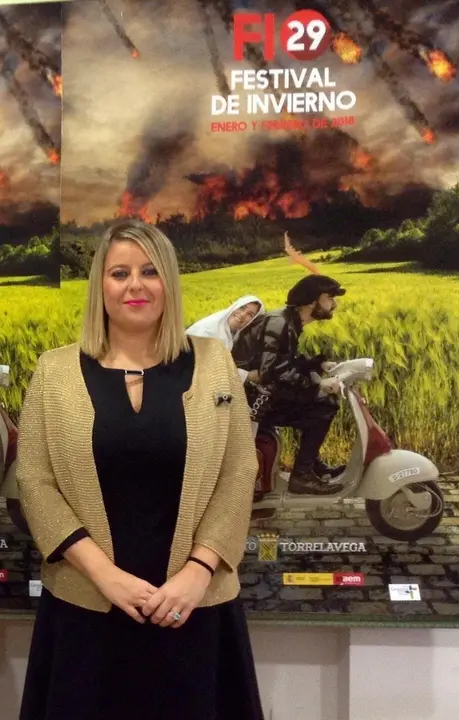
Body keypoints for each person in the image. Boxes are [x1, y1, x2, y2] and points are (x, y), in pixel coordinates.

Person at [16, 219, 264, 720]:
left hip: (192, 608)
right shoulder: (54, 371)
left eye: (150, 272)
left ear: (168, 282)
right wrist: (106, 576)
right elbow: (35, 482)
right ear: (100, 286)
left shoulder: (214, 363)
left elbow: (239, 471)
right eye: (120, 273)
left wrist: (197, 572)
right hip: (87, 609)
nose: (135, 285)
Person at [232, 273, 346, 496]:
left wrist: (317, 364)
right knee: (324, 406)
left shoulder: (288, 320)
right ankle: (302, 475)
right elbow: (272, 372)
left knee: (319, 402)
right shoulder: (280, 323)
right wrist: (318, 385)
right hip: (252, 399)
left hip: (259, 392)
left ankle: (311, 465)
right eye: (330, 298)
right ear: (312, 301)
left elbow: (285, 360)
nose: (334, 304)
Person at [187, 294, 265, 384]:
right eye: (242, 308)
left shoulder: (232, 331)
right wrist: (248, 376)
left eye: (250, 314)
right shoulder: (209, 332)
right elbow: (211, 371)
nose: (242, 315)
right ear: (234, 306)